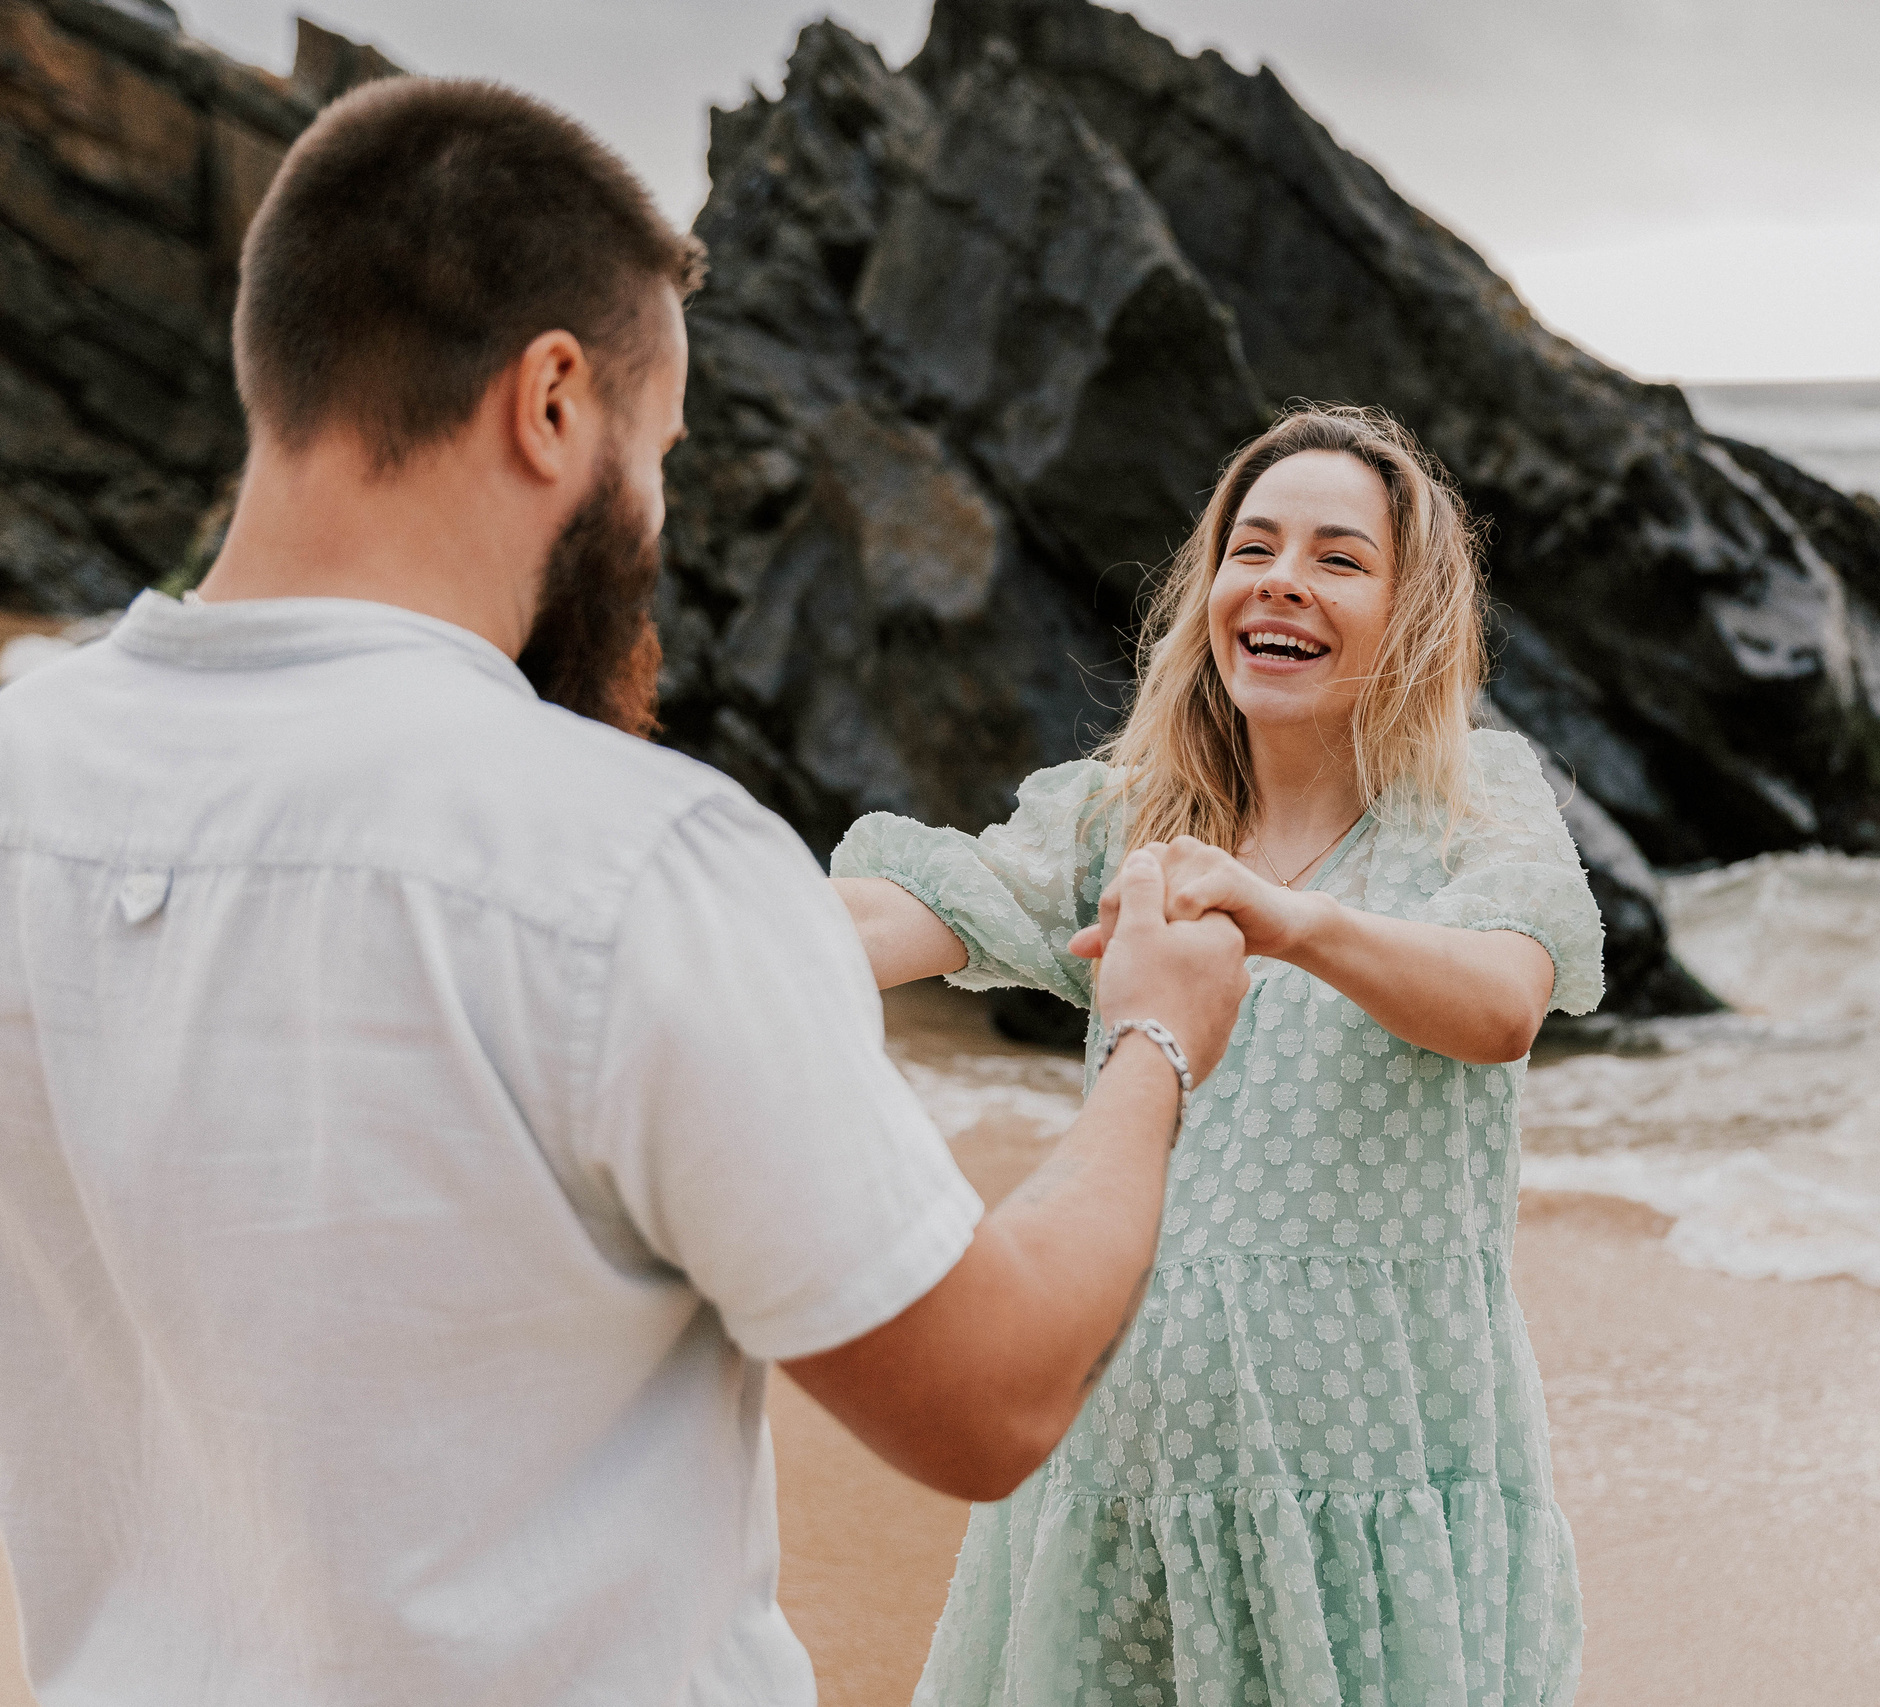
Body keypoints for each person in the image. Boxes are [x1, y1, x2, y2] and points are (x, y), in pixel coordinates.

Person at [0, 77, 1246, 1706]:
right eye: (658, 452)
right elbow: (991, 1394)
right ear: (552, 402)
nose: (653, 519)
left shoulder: (26, 767)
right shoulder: (629, 855)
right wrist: (1155, 1042)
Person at [834, 406, 1605, 1706]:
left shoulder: (1478, 806)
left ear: (1410, 612)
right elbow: (909, 908)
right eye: (1254, 547)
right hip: (1122, 1484)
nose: (1283, 579)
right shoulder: (1125, 821)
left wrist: (1291, 922)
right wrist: (676, 935)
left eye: (1339, 557)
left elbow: (1504, 1001)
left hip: (1364, 1495)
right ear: (1211, 594)